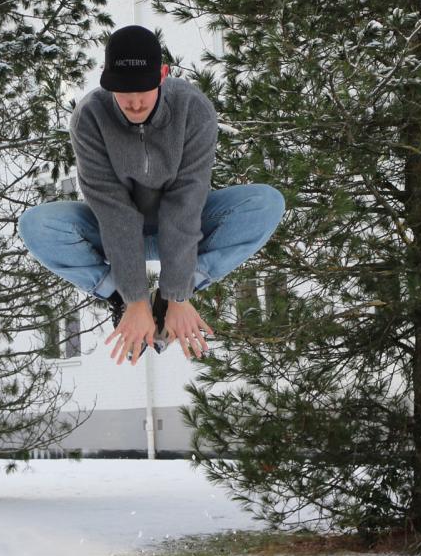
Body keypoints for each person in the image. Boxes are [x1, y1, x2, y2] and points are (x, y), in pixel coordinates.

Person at [19, 25, 285, 366]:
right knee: (37, 224)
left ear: (162, 74)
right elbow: (114, 211)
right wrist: (133, 300)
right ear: (106, 79)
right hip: (112, 231)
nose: (134, 102)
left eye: (143, 89)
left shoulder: (193, 110)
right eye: (122, 91)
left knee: (265, 203)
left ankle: (168, 301)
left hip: (185, 228)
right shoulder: (90, 117)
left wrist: (177, 294)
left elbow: (185, 204)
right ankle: (122, 297)